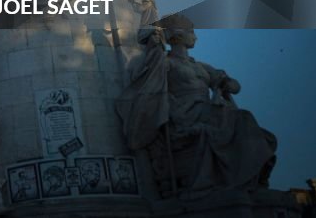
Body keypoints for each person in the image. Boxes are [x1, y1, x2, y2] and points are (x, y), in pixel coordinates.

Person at [116, 14, 277, 196]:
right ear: (178, 35)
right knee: (241, 119)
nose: (195, 37)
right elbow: (152, 87)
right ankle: (245, 178)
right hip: (187, 113)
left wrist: (226, 83)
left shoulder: (201, 66)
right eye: (191, 32)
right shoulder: (167, 64)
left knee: (245, 121)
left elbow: (234, 86)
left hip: (209, 109)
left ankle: (249, 178)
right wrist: (154, 47)